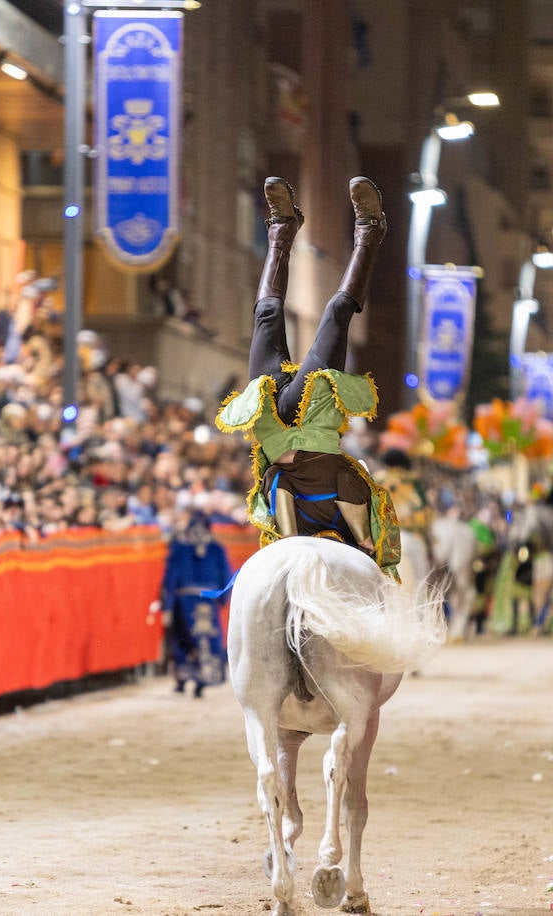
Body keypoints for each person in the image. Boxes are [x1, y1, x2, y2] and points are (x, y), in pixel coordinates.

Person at [216, 176, 400, 576]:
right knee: (336, 312)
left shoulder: (292, 510)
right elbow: (368, 534)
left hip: (270, 418)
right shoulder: (347, 489)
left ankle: (282, 228)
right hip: (312, 413)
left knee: (265, 316)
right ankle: (370, 232)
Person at [158, 512, 232, 698]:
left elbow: (170, 575)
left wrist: (167, 604)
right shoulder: (216, 547)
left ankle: (182, 679)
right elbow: (226, 574)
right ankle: (202, 681)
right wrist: (223, 598)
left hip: (184, 598)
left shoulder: (179, 546)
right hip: (208, 598)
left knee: (183, 639)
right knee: (206, 637)